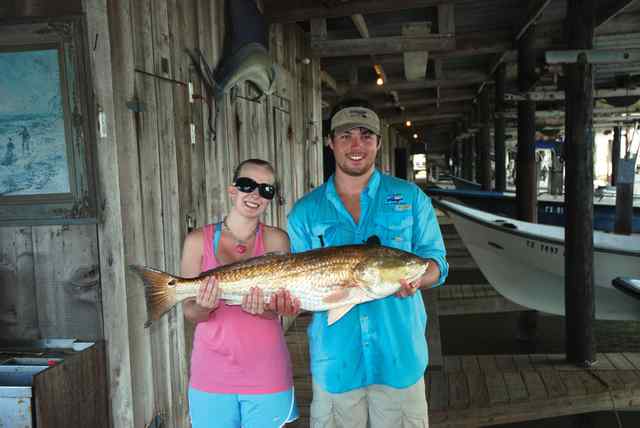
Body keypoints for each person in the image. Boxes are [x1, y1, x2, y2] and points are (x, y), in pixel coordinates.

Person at [287, 98, 448, 427]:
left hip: (399, 357)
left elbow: (436, 263)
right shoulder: (305, 211)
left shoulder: (410, 197)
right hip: (336, 362)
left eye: (365, 135)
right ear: (330, 143)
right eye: (345, 136)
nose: (356, 145)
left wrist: (420, 278)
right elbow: (294, 285)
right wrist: (282, 302)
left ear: (378, 142)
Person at [181, 158, 301, 428]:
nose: (255, 195)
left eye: (266, 190)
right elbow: (190, 311)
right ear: (232, 189)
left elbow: (280, 305)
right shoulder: (198, 241)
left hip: (267, 373)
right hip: (211, 374)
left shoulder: (277, 239)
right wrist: (204, 307)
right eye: (248, 185)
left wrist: (276, 308)